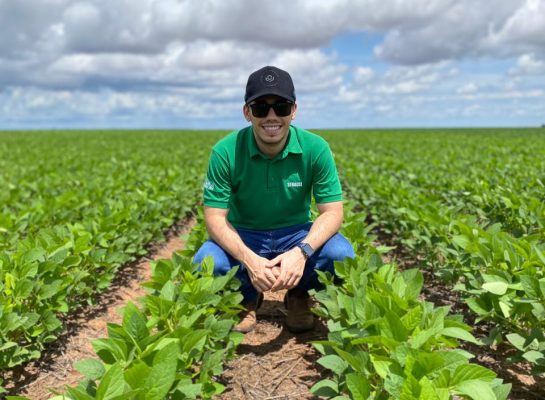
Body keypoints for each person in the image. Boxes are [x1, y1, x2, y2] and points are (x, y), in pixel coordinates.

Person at [194, 66, 354, 333]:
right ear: (247, 112)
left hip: (295, 233)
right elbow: (214, 219)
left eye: (281, 107)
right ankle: (246, 296)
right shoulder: (225, 151)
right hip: (245, 234)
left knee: (341, 255)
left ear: (294, 110)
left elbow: (333, 212)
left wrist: (301, 253)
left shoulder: (316, 148)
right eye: (260, 108)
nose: (271, 116)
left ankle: (299, 295)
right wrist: (249, 260)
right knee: (206, 262)